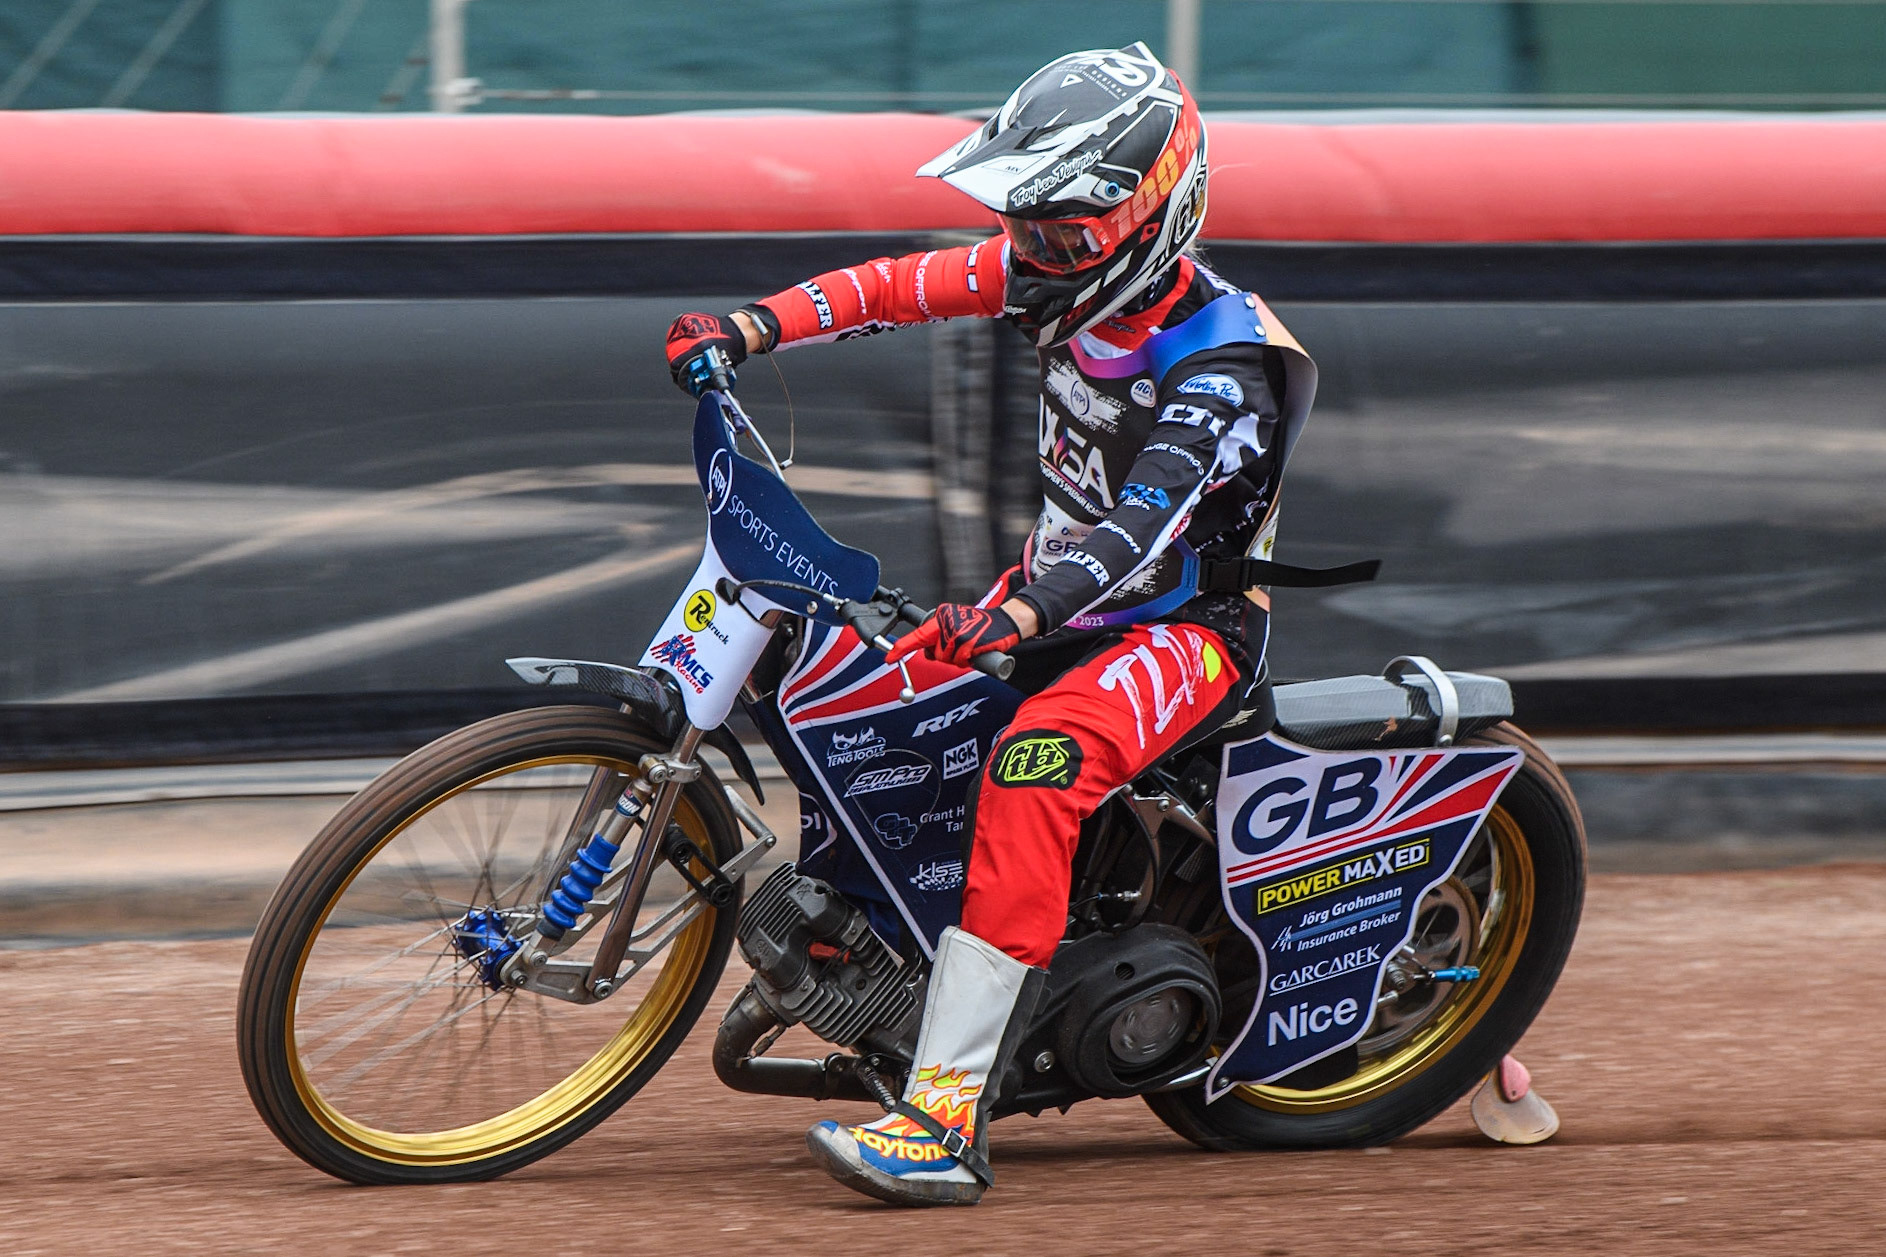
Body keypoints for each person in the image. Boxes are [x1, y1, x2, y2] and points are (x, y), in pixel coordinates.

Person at [664, 41, 1322, 1207]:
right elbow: (892, 289)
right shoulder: (1049, 274)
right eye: (1026, 230)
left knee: (1032, 769)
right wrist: (747, 328)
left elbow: (1140, 531)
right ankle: (864, 961)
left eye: (1064, 237)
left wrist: (1017, 610)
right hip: (1059, 603)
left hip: (1184, 632)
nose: (1033, 258)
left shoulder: (1221, 367)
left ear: (1154, 216)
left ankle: (944, 1121)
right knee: (869, 698)